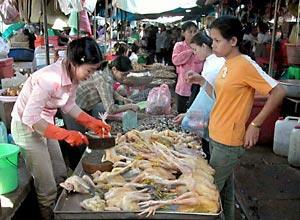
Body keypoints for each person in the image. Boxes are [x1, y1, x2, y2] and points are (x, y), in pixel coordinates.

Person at [187, 16, 285, 220]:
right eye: (212, 40)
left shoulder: (244, 64)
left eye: (217, 40)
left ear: (233, 41)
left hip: (228, 141)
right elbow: (220, 96)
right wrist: (202, 81)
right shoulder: (226, 63)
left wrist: (255, 124)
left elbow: (279, 91)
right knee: (224, 194)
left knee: (208, 194)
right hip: (215, 135)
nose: (212, 45)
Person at [10, 37, 111, 220]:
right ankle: (48, 214)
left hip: (45, 123)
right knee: (47, 187)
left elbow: (68, 105)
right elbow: (30, 118)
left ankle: (60, 212)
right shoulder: (50, 78)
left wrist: (90, 122)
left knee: (60, 173)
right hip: (26, 127)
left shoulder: (72, 77)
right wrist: (65, 134)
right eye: (89, 70)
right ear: (74, 62)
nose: (91, 75)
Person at [174, 32, 225, 161]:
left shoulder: (215, 65)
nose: (194, 53)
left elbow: (208, 99)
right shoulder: (209, 62)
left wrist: (189, 115)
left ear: (204, 46)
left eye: (195, 49)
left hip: (214, 117)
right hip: (211, 116)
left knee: (210, 153)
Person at [172, 21, 203, 113]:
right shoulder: (179, 46)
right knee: (182, 113)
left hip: (198, 87)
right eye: (190, 32)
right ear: (183, 33)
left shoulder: (202, 46)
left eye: (195, 31)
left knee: (195, 115)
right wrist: (190, 50)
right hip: (183, 87)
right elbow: (175, 60)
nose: (193, 34)